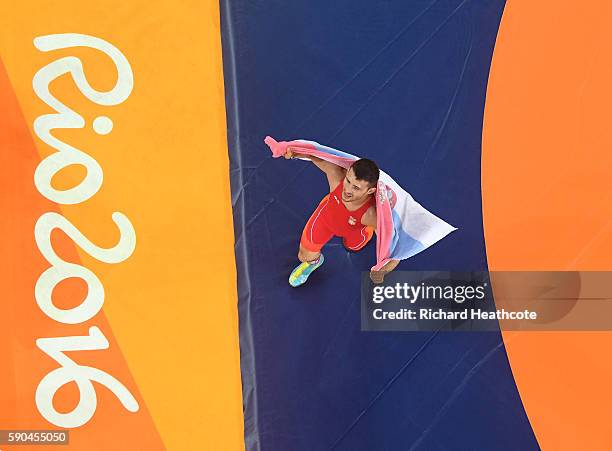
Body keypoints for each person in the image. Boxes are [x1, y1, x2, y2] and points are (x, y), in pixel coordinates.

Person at [285, 146, 399, 286]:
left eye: (356, 187)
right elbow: (314, 154)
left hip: (355, 230)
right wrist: (292, 152)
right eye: (348, 181)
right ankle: (314, 262)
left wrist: (383, 271)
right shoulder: (336, 176)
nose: (347, 190)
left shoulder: (372, 215)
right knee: (304, 257)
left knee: (353, 247)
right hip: (325, 219)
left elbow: (396, 248)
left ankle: (365, 232)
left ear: (370, 190)